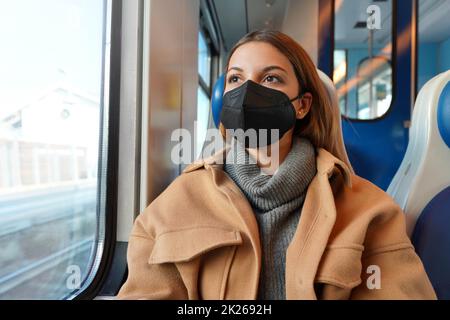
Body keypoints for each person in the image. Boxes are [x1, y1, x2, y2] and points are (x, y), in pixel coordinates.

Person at [117, 30, 436, 300]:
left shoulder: (369, 210)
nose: (246, 92)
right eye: (235, 78)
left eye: (270, 78)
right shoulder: (174, 205)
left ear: (302, 106)